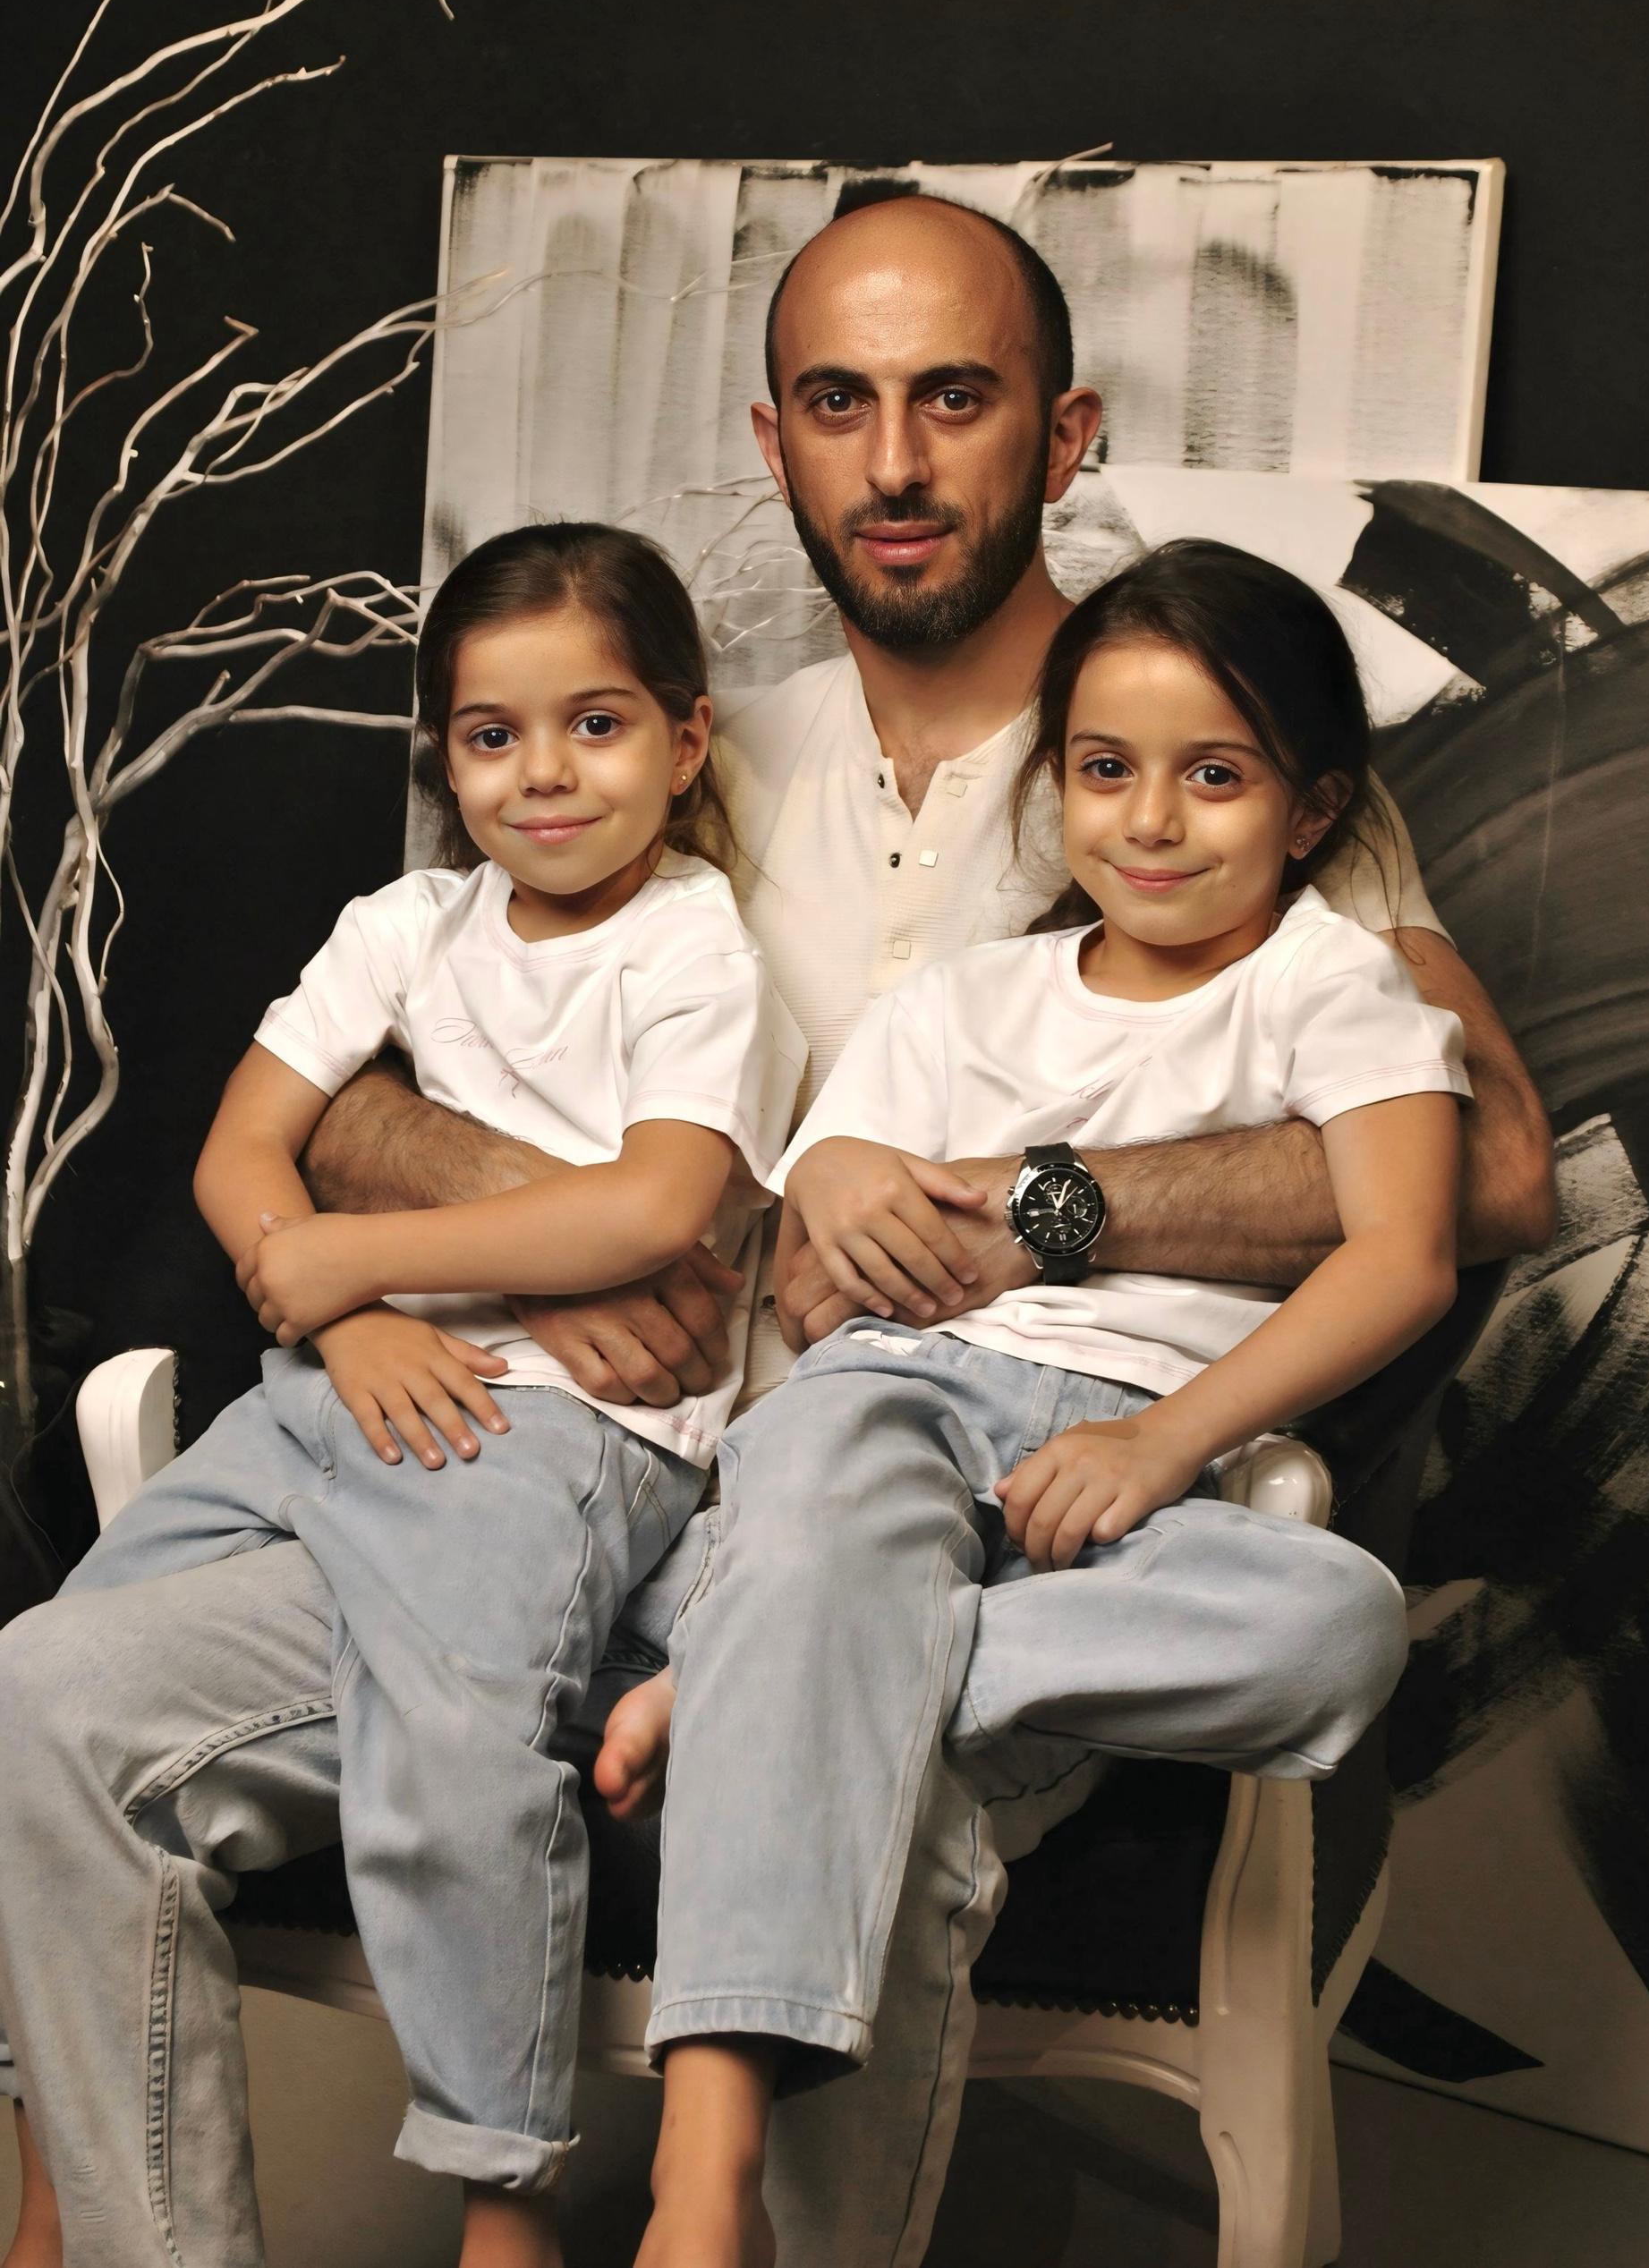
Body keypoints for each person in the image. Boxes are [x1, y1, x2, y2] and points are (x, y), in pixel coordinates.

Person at [1, 192, 1555, 2268]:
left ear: (1066, 431)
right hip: (556, 1479)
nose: (893, 462)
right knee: (63, 1700)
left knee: (859, 1673)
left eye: (954, 399)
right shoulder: (676, 736)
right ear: (775, 440)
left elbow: (1494, 1165)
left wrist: (1034, 1208)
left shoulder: (1183, 735)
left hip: (915, 1513)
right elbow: (363, 1088)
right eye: (839, 403)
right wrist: (611, 1230)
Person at [633, 542, 1468, 2264]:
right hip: (901, 1398)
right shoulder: (964, 998)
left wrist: (1165, 1438)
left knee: (1336, 1625)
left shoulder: (1329, 983)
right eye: (1105, 767)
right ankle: (699, 2197)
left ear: (1312, 809)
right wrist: (849, 1184)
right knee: (831, 1480)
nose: (1151, 820)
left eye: (1215, 775)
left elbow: (1405, 1255)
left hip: (1130, 1461)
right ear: (1056, 782)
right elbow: (827, 1237)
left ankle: (758, 1666)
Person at [0, 524, 803, 2268]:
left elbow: (657, 1206)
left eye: (596, 724)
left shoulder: (694, 950)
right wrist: (351, 1320)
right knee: (41, 1681)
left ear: (686, 736)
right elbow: (242, 1148)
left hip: (553, 1434)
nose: (543, 773)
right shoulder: (410, 923)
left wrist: (355, 1254)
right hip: (339, 1394)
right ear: (446, 754)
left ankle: (503, 2198)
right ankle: (75, 2178)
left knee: (457, 1733)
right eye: (492, 735)